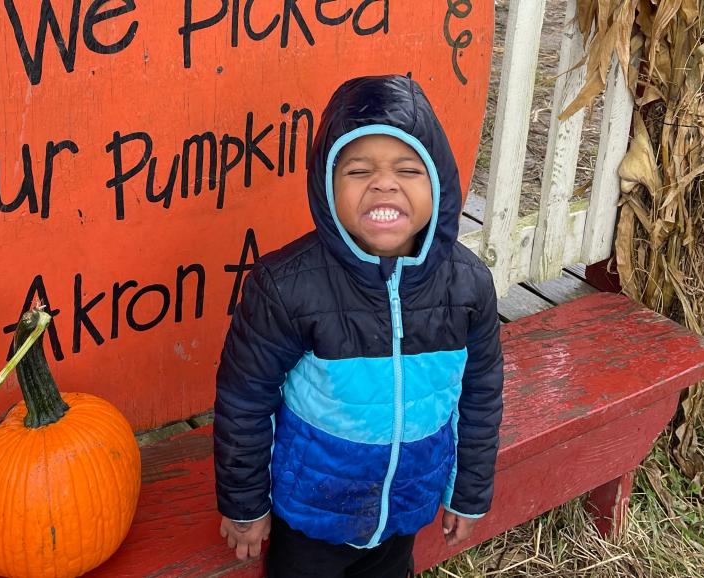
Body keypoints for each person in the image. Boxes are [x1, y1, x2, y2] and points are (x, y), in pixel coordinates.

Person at [213, 74, 504, 578]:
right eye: (358, 169)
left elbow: (481, 395)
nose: (384, 183)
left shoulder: (469, 285)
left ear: (440, 184)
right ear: (327, 186)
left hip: (405, 509)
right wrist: (246, 506)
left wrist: (467, 491)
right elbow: (244, 401)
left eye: (409, 169)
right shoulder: (284, 286)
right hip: (309, 516)